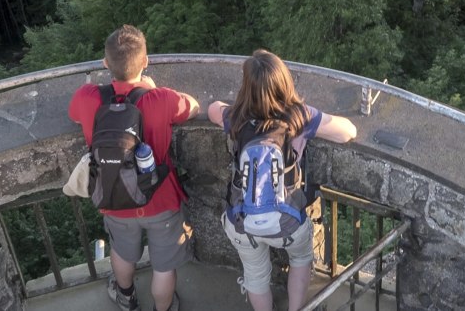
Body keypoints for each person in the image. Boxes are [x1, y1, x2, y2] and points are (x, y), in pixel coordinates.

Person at [207, 50, 358, 311]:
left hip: (242, 219)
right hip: (285, 220)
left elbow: (211, 109)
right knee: (300, 259)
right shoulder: (299, 116)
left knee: (255, 274)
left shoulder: (236, 117)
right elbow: (347, 132)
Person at [69, 25, 199, 311]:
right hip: (160, 198)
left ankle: (126, 297)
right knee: (164, 266)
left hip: (115, 195)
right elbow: (194, 107)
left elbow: (74, 115)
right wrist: (150, 90)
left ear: (106, 63)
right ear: (145, 61)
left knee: (122, 252)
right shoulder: (160, 99)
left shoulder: (88, 97)